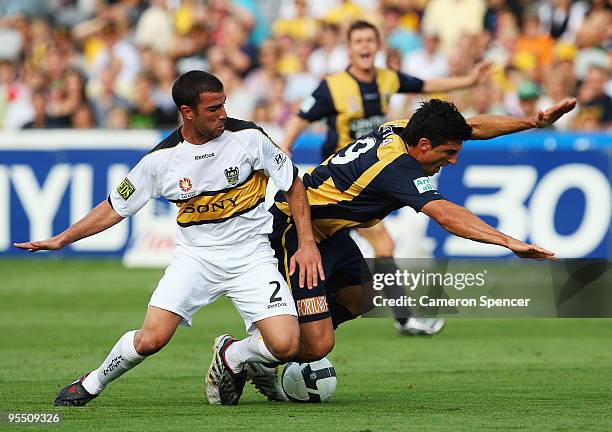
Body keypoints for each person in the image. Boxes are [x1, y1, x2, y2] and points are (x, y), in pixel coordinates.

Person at [13, 71, 324, 407]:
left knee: (287, 345)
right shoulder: (160, 161)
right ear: (187, 112)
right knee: (151, 339)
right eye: (212, 109)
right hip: (196, 259)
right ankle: (92, 382)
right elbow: (115, 206)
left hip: (252, 257)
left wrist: (307, 243)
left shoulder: (249, 137)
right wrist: (63, 239)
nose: (222, 114)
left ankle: (232, 353)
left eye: (223, 105)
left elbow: (293, 183)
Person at [244, 97, 577, 401]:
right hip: (293, 230)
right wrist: (507, 241)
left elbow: (472, 126)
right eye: (449, 153)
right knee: (317, 344)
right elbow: (445, 214)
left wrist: (533, 122)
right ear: (423, 145)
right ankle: (242, 353)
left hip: (328, 231)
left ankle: (273, 347)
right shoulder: (398, 169)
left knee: (361, 297)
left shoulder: (402, 129)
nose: (455, 160)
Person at [281, 20, 492, 335]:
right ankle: (399, 317)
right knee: (378, 243)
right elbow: (300, 118)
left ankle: (309, 319)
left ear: (378, 45)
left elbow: (427, 85)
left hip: (372, 182)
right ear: (349, 48)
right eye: (358, 41)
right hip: (341, 184)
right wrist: (284, 150)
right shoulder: (333, 87)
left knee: (360, 251)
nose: (365, 46)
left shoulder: (387, 79)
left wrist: (469, 80)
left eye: (370, 40)